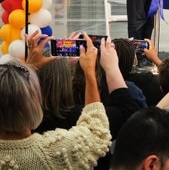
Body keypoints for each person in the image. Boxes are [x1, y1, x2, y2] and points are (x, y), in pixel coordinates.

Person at [0, 37, 111, 168]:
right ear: (35, 102)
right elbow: (96, 132)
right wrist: (89, 71)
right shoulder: (52, 152)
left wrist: (28, 69)